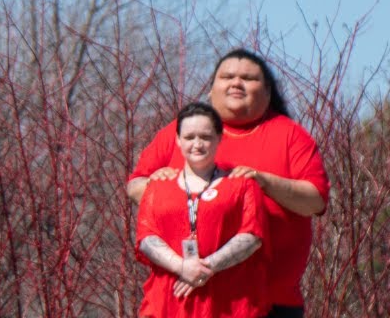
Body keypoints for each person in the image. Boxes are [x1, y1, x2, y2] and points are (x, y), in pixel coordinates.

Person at [127, 49, 329, 317]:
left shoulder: (290, 134)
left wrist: (264, 182)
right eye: (227, 76)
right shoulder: (184, 130)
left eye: (248, 78)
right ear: (211, 89)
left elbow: (315, 201)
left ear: (268, 91)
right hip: (180, 298)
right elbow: (136, 186)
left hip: (266, 298)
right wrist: (162, 186)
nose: (236, 82)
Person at [136, 102, 268, 317]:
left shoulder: (242, 184)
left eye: (205, 137)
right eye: (189, 137)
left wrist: (206, 267)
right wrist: (182, 267)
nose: (197, 144)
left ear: (219, 137)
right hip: (168, 304)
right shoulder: (157, 187)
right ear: (178, 140)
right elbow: (147, 238)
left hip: (228, 303)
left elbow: (252, 236)